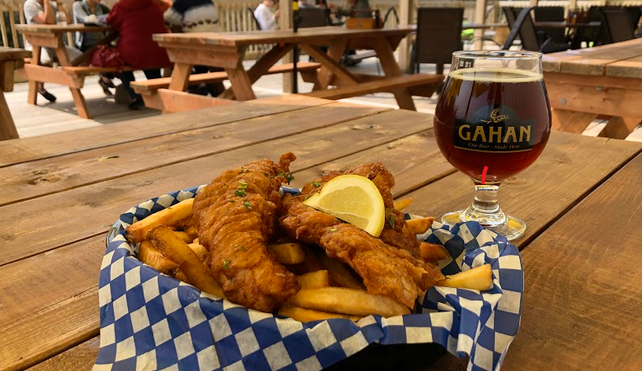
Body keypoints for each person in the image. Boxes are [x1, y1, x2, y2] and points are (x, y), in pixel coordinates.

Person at [106, 0, 172, 109]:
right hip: (157, 48)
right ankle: (159, 94)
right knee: (151, 65)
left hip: (132, 50)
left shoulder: (121, 7)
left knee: (120, 66)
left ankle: (134, 96)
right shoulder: (153, 5)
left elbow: (111, 21)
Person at [24, 0, 83, 102]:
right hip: (37, 44)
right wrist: (47, 1)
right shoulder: (30, 4)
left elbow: (68, 21)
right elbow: (49, 20)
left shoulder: (53, 4)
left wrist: (59, 4)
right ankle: (40, 88)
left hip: (56, 44)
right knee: (45, 61)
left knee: (82, 58)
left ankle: (75, 84)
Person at [164, 0, 224, 96]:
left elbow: (167, 18)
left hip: (197, 44)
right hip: (218, 44)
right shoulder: (209, 2)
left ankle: (197, 84)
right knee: (201, 58)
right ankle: (203, 84)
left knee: (179, 56)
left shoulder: (180, 3)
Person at [72, 0, 115, 95]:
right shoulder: (78, 5)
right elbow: (85, 19)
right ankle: (105, 79)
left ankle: (105, 79)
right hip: (85, 45)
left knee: (116, 57)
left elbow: (112, 17)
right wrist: (102, 19)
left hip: (102, 42)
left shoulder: (102, 6)